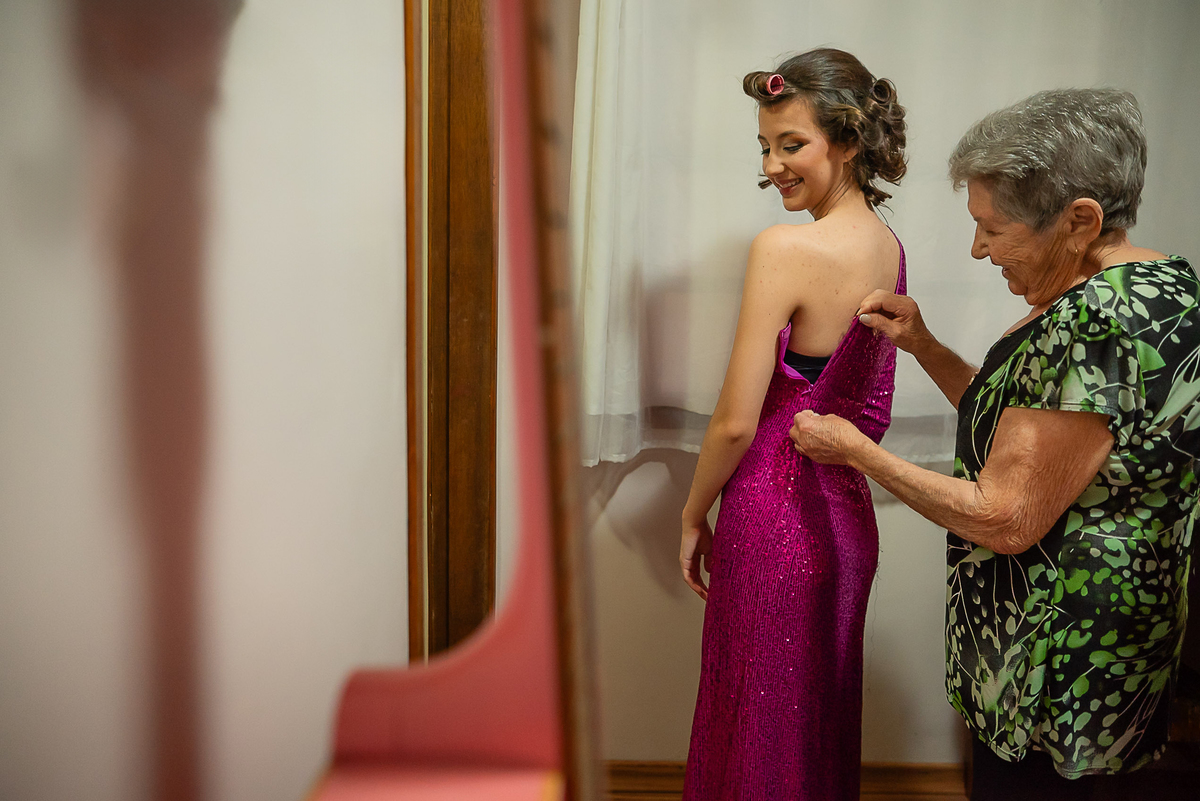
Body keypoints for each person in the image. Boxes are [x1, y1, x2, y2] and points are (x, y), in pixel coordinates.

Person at [790, 88, 1200, 801]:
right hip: (1123, 643)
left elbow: (1005, 515)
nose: (978, 249)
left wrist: (855, 449)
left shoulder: (1093, 321)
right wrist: (924, 345)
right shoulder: (1164, 283)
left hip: (1062, 664)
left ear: (1080, 221)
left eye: (994, 229)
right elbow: (1033, 429)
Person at [679, 48, 907, 800]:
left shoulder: (784, 248)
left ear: (849, 141)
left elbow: (736, 423)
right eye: (765, 146)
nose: (772, 165)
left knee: (756, 736)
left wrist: (692, 512)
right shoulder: (889, 247)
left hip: (772, 520)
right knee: (813, 736)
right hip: (847, 525)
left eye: (792, 144)